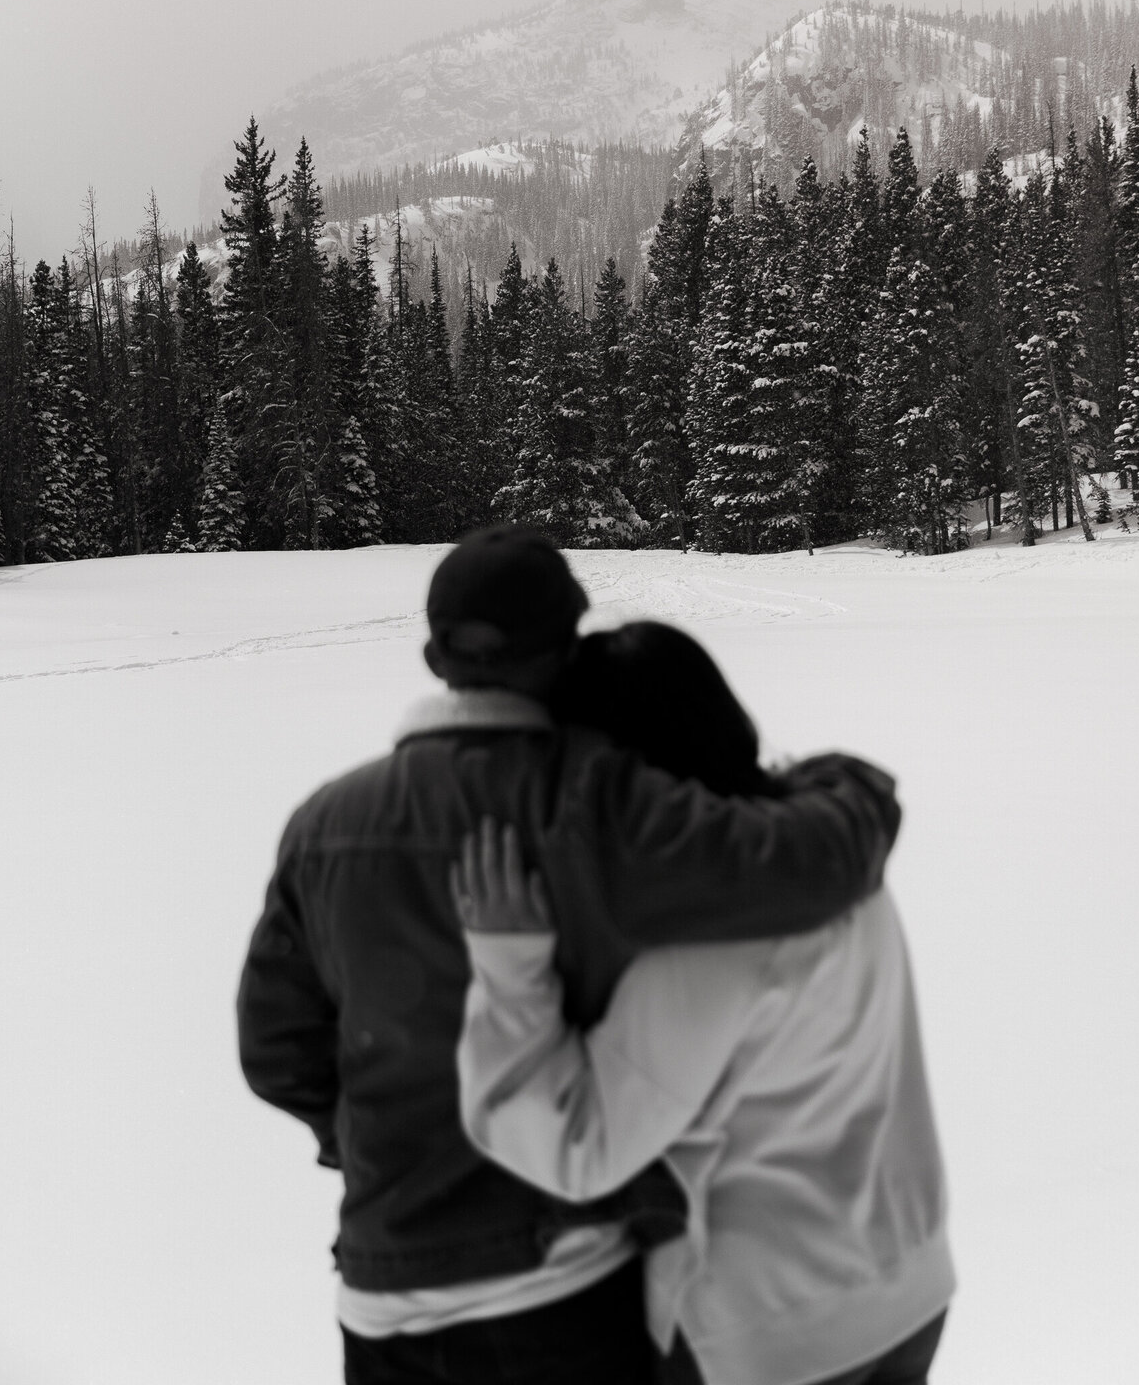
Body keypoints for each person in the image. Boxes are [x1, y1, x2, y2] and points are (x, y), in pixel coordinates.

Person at [237, 528, 902, 1385]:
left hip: (381, 1294)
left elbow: (274, 1048)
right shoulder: (599, 800)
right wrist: (854, 787)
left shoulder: (323, 825)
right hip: (562, 1286)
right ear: (568, 646)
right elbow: (802, 867)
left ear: (433, 653)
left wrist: (370, 1140)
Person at [453, 621, 954, 1385]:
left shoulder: (710, 943)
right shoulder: (835, 870)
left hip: (772, 1332)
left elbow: (580, 1147)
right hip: (909, 1285)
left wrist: (510, 969)